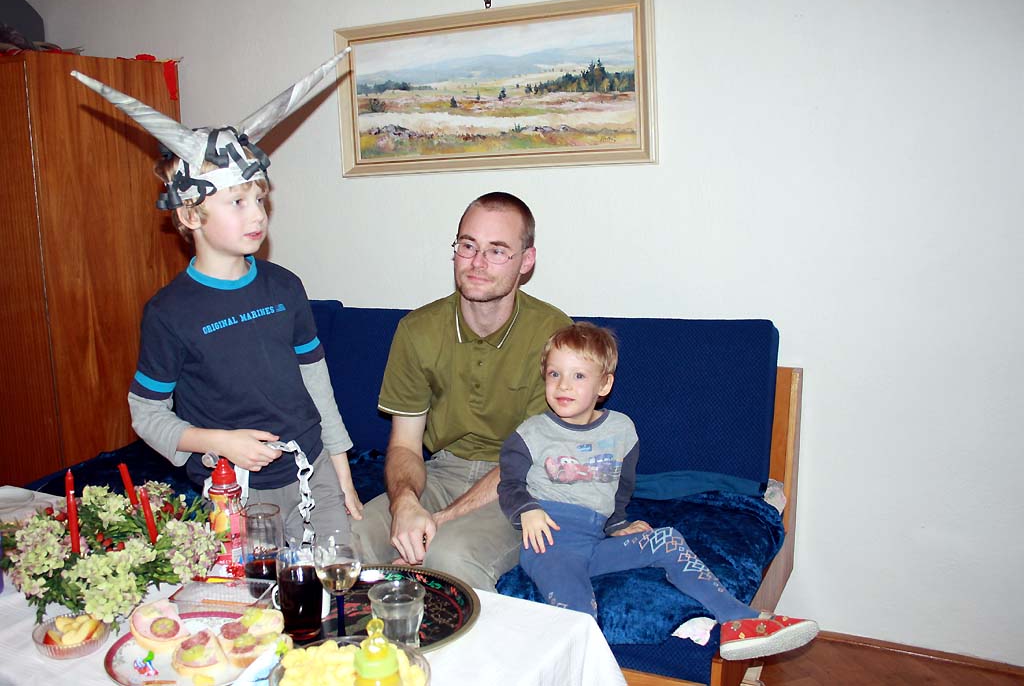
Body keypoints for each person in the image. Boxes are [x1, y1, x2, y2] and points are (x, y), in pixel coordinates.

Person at [71, 54, 362, 543]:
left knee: (336, 579)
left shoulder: (285, 286)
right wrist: (220, 442)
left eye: (260, 199)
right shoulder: (169, 313)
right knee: (255, 591)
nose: (258, 214)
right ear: (190, 216)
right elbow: (147, 414)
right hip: (233, 491)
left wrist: (343, 475)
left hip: (313, 475)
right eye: (237, 202)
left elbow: (317, 385)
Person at [497, 322, 819, 660]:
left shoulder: (621, 429)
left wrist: (617, 524)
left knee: (666, 540)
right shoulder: (532, 432)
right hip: (551, 545)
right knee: (582, 613)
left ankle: (739, 619)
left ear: (604, 384)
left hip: (592, 542)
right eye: (554, 374)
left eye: (578, 375)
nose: (563, 385)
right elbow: (509, 483)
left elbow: (619, 488)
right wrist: (527, 510)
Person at [353, 192, 572, 591]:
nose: (477, 262)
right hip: (444, 470)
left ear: (526, 261)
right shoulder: (418, 330)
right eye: (468, 246)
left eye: (497, 251)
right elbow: (405, 445)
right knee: (352, 539)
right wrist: (405, 504)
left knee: (449, 555)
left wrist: (439, 521)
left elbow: (527, 460)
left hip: (523, 484)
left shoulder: (554, 335)